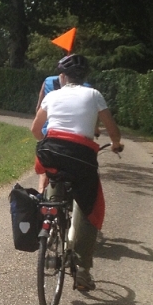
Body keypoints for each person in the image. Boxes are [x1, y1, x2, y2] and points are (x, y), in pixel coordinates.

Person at [30, 54, 123, 292]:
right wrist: (115, 144)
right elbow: (112, 130)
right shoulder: (94, 95)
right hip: (81, 158)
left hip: (52, 152)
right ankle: (82, 269)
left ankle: (49, 224)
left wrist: (50, 141)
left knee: (53, 182)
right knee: (90, 206)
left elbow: (35, 130)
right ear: (85, 78)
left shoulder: (52, 95)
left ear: (62, 77)